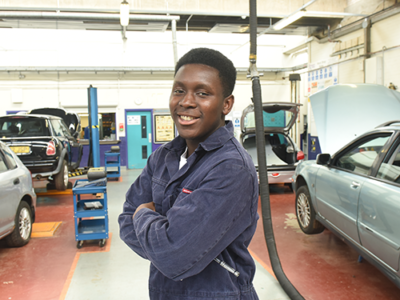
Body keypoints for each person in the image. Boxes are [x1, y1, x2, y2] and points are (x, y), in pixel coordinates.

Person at [119, 48, 259, 300]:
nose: (186, 101)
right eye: (179, 90)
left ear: (226, 104)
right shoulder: (162, 157)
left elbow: (172, 256)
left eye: (203, 93)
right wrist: (161, 237)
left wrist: (143, 214)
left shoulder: (231, 168)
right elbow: (125, 222)